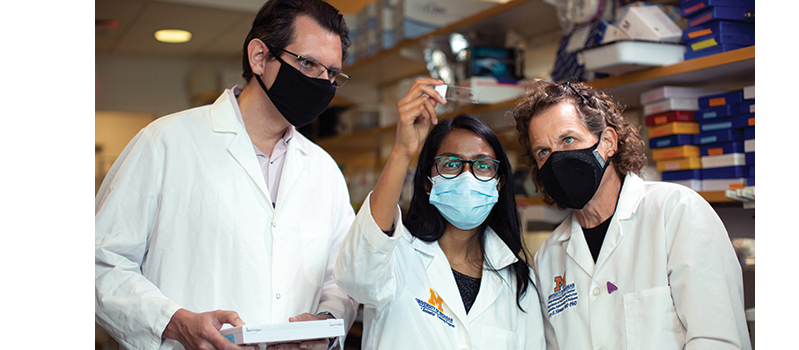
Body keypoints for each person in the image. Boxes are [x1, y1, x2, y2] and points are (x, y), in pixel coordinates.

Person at [94, 1, 358, 349]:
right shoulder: (167, 142)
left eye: (332, 73)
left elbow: (342, 279)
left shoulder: (324, 170)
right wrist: (174, 323)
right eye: (308, 64)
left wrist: (324, 325)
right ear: (260, 57)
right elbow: (100, 263)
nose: (322, 83)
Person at [511, 80, 752, 350]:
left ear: (608, 142)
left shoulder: (676, 212)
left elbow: (718, 340)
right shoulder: (548, 256)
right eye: (543, 152)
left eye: (568, 139)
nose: (557, 159)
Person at [333, 78, 545, 350]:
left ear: (499, 182)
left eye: (482, 165)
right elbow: (356, 277)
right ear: (427, 181)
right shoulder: (397, 257)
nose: (467, 176)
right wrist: (402, 151)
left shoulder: (520, 283)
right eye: (451, 164)